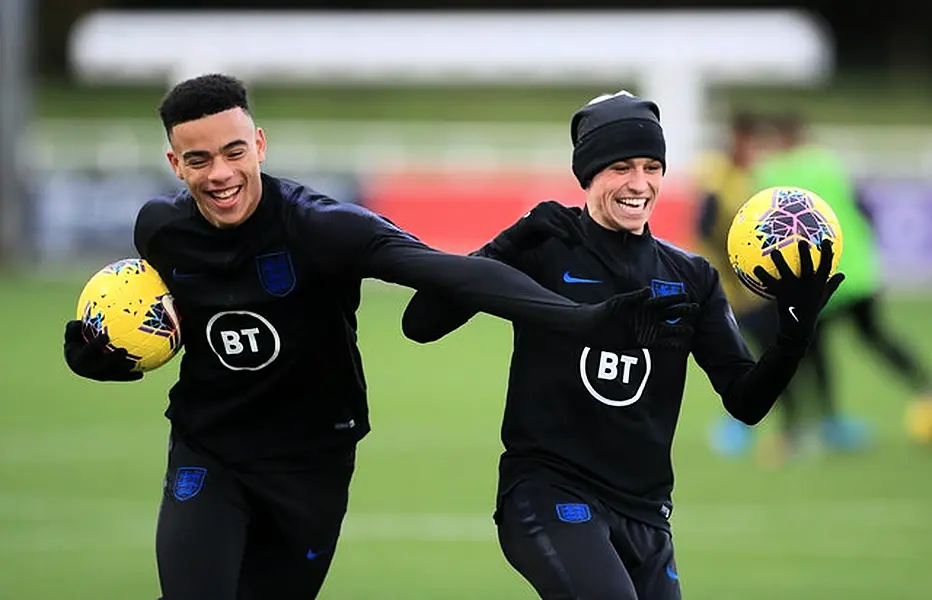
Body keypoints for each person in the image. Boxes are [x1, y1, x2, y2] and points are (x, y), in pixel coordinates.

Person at [60, 75, 694, 600]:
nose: (219, 174)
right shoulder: (159, 231)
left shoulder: (322, 227)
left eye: (233, 152)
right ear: (175, 163)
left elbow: (455, 275)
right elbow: (153, 316)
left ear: (259, 143)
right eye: (197, 160)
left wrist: (580, 319)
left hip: (312, 463)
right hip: (209, 451)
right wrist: (100, 354)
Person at [401, 91, 844, 600]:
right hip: (549, 493)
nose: (640, 184)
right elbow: (422, 323)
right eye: (620, 167)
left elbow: (746, 402)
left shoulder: (690, 277)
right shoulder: (545, 247)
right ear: (588, 174)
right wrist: (506, 244)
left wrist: (794, 332)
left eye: (652, 166)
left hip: (647, 517)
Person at [755, 111, 932, 448]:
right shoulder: (828, 163)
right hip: (857, 270)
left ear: (779, 139)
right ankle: (923, 384)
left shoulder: (771, 172)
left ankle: (829, 420)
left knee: (812, 347)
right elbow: (862, 208)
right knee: (875, 335)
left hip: (818, 277)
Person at [691, 111, 810, 460]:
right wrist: (734, 265)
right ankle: (749, 427)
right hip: (729, 289)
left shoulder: (752, 178)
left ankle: (788, 430)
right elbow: (704, 226)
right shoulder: (720, 178)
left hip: (757, 291)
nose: (753, 147)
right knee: (741, 359)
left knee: (773, 357)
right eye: (748, 140)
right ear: (737, 139)